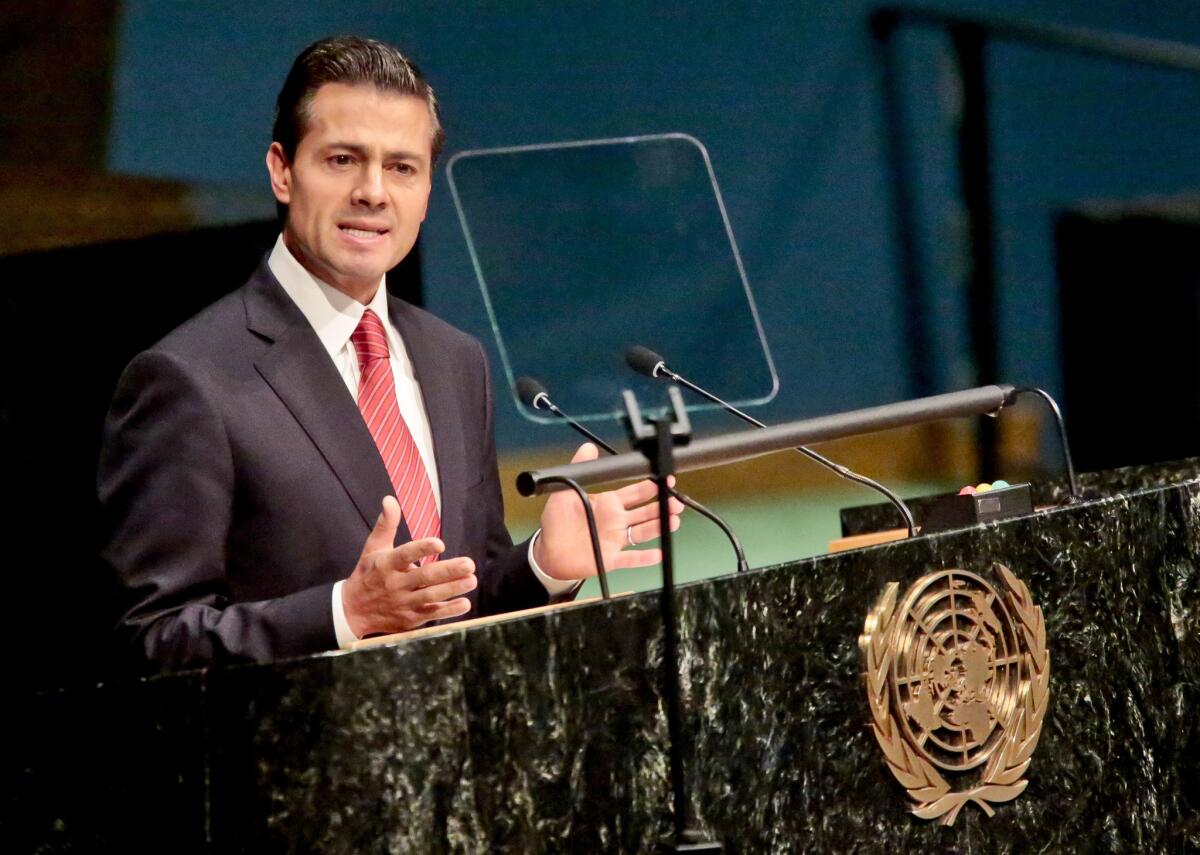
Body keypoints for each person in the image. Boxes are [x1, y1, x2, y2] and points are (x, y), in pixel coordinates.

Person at [99, 35, 681, 672]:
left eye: (402, 167)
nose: (373, 192)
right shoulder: (187, 380)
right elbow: (153, 640)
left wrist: (543, 563)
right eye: (344, 159)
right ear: (282, 171)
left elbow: (467, 599)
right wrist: (345, 614)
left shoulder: (455, 361)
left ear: (428, 192)